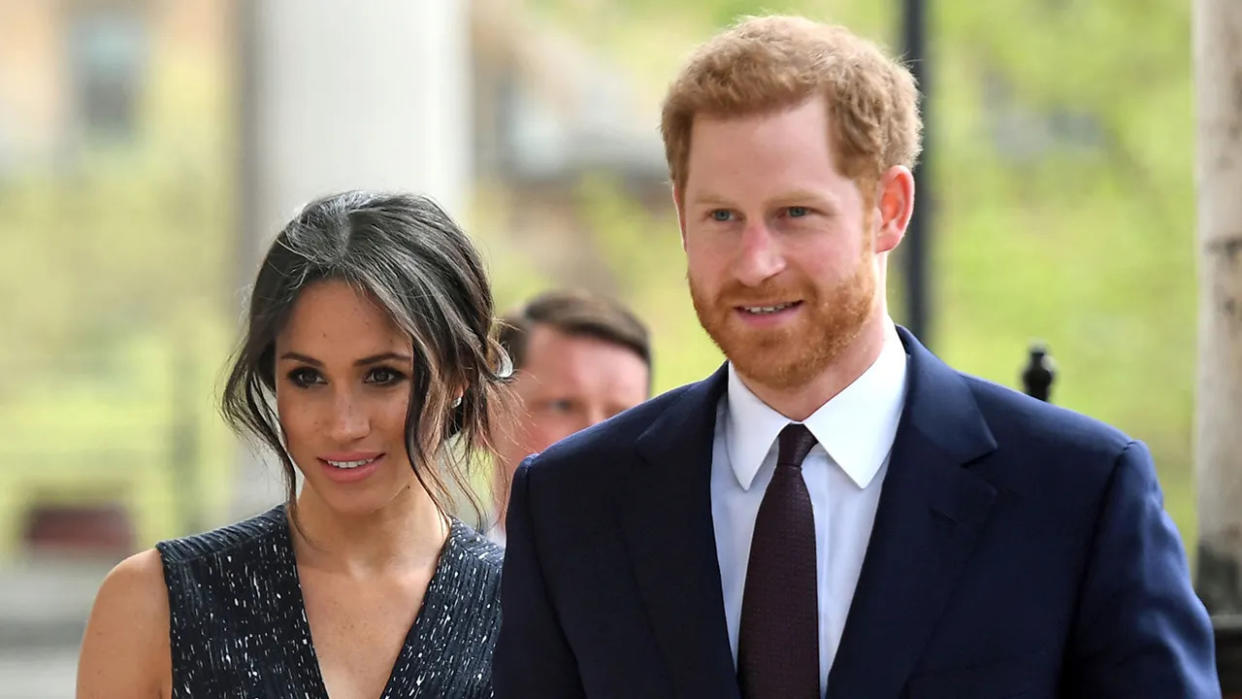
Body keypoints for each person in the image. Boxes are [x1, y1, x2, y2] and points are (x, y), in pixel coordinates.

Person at [494, 15, 1218, 698]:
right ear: (681, 212)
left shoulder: (1077, 494)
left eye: (794, 214)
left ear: (891, 209)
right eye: (722, 216)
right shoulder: (571, 504)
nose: (755, 261)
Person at [78, 192, 511, 698]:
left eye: (382, 375)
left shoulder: (531, 606)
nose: (343, 424)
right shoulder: (154, 603)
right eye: (307, 377)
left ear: (459, 373)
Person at [489, 289, 651, 543]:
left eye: (623, 415)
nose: (596, 436)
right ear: (485, 420)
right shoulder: (430, 577)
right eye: (562, 406)